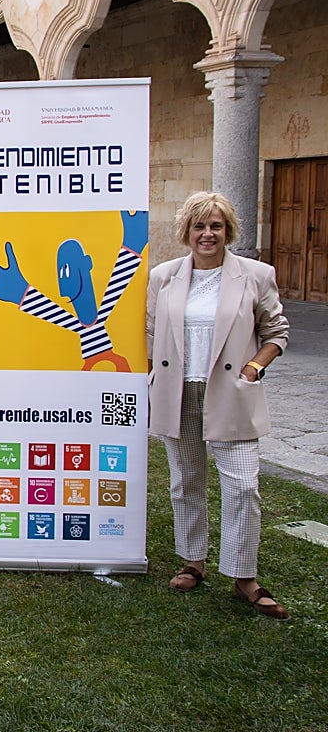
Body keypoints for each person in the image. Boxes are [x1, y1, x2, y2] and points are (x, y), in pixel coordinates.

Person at [147, 191, 291, 620]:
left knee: (243, 486)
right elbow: (151, 332)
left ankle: (244, 577)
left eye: (216, 226)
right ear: (186, 232)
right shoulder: (163, 276)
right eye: (199, 226)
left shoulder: (256, 275)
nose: (207, 234)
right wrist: (154, 375)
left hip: (230, 392)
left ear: (228, 231)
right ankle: (193, 561)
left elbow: (276, 331)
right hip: (178, 393)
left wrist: (253, 369)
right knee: (186, 480)